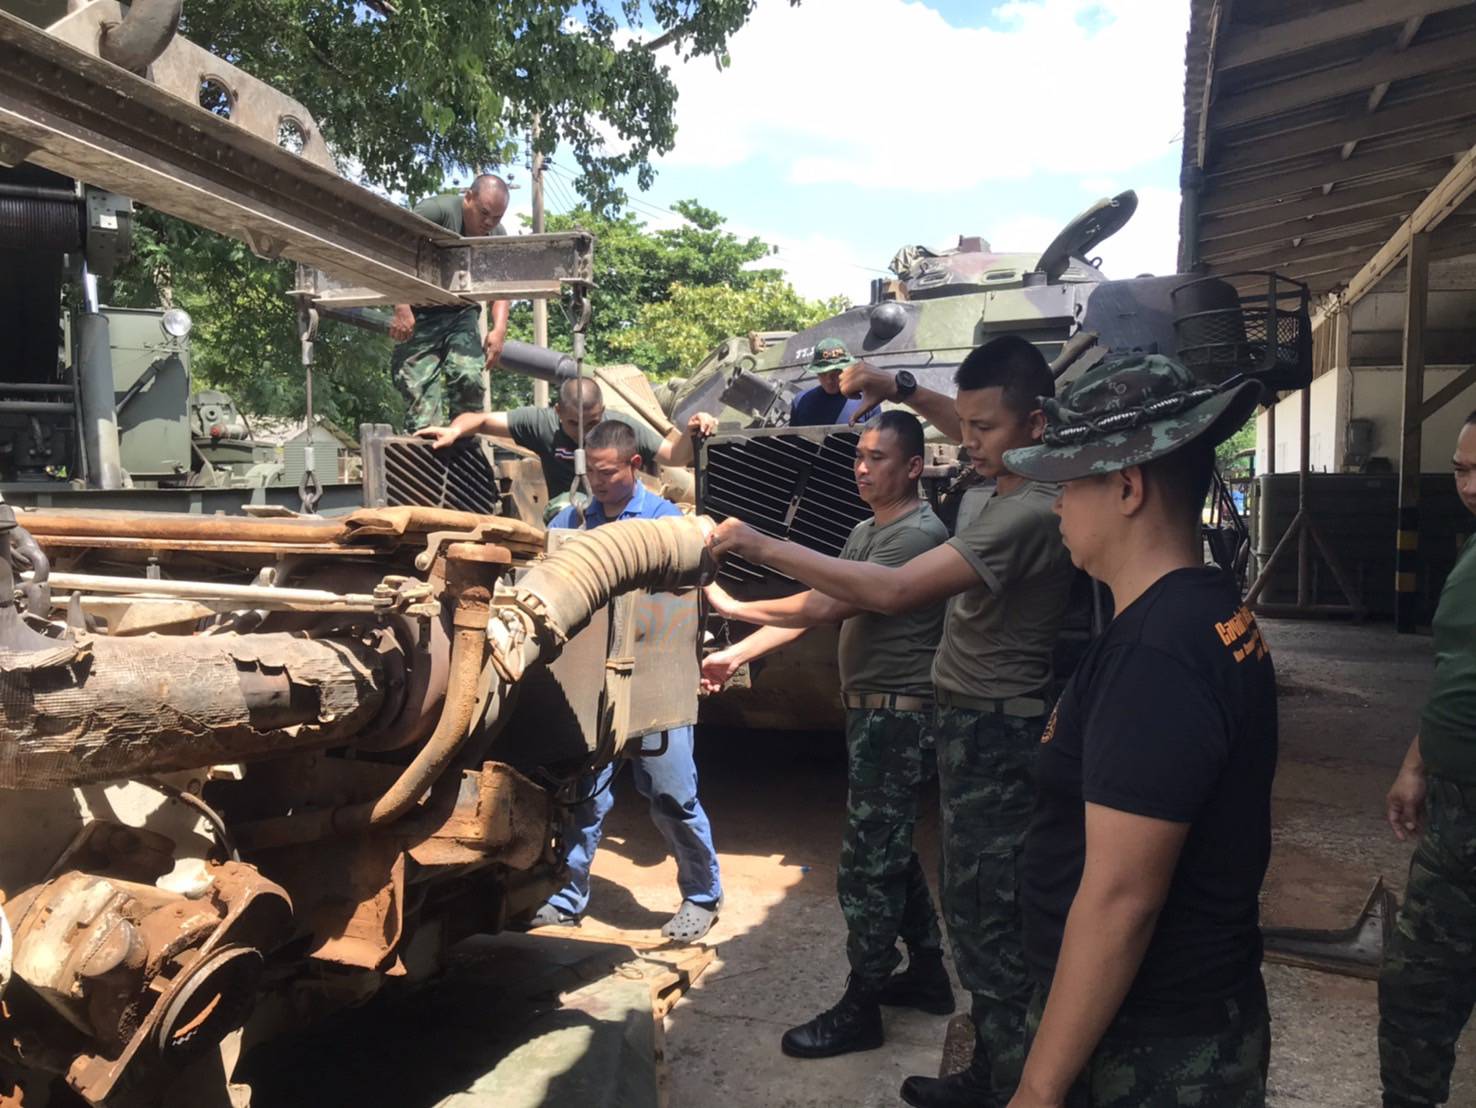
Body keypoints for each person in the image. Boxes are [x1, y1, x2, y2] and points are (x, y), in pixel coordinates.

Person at [707, 335, 1077, 1107]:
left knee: (988, 916)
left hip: (994, 731)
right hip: (966, 724)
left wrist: (761, 546)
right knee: (955, 896)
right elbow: (973, 424)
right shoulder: (998, 481)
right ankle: (986, 1054)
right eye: (965, 426)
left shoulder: (1024, 511)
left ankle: (1002, 1077)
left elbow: (891, 593)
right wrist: (901, 387)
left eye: (984, 429)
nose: (967, 441)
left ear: (1037, 425)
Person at [995, 353, 1275, 1108]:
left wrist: (1039, 1089)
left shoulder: (1156, 655)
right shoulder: (1204, 608)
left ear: (1127, 486)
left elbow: (1122, 899)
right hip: (1177, 1023)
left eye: (1068, 482)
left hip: (1151, 1049)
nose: (1057, 504)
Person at [702, 410, 952, 1058]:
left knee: (867, 867)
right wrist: (738, 653)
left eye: (877, 459)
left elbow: (826, 604)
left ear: (914, 467)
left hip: (898, 717)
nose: (862, 469)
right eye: (858, 457)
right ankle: (928, 975)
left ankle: (862, 1005)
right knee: (890, 850)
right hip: (872, 714)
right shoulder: (867, 530)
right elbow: (816, 612)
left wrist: (735, 604)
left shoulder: (917, 535)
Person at [530, 419, 724, 941]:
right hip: (592, 682)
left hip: (655, 680)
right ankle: (566, 896)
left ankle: (702, 896)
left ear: (635, 465)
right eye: (591, 472)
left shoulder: (666, 522)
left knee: (671, 794)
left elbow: (695, 586)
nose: (597, 481)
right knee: (583, 797)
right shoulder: (575, 521)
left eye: (608, 472)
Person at [1380, 410, 1476, 1108]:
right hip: (1454, 816)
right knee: (1416, 990)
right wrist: (1416, 764)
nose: (1471, 485)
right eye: (1463, 470)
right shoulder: (1471, 555)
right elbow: (1455, 671)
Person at [418, 377, 718, 498]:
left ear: (603, 411)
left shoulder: (620, 427)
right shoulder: (541, 424)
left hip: (619, 517)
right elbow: (480, 419)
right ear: (558, 411)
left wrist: (693, 431)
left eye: (594, 422)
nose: (585, 432)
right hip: (566, 518)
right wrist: (454, 430)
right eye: (574, 423)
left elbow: (674, 456)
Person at [389, 174, 513, 430]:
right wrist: (401, 304)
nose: (489, 223)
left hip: (460, 312)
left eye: (497, 217)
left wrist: (499, 328)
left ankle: (465, 441)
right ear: (468, 198)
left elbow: (500, 286)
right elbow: (394, 249)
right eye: (484, 213)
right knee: (418, 392)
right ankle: (425, 445)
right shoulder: (435, 211)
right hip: (420, 312)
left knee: (468, 376)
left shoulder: (495, 234)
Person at [789, 338, 880, 427]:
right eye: (823, 373)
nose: (829, 380)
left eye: (836, 373)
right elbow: (793, 436)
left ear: (848, 369)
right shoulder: (801, 401)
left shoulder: (868, 401)